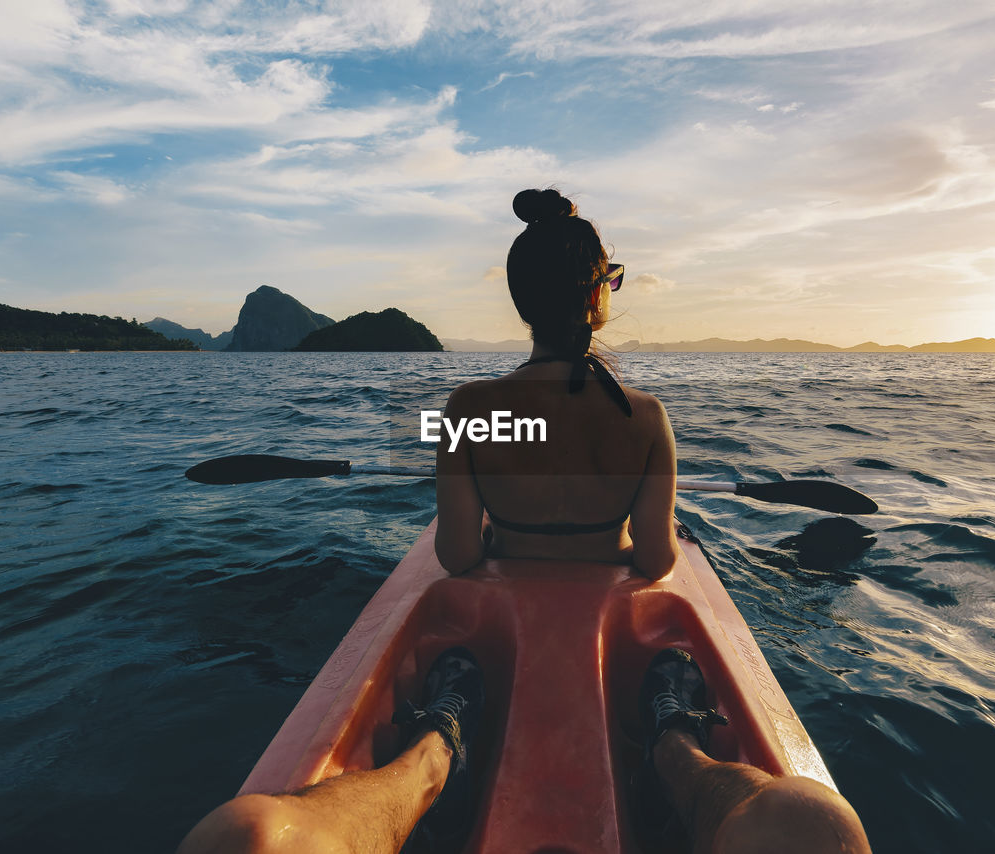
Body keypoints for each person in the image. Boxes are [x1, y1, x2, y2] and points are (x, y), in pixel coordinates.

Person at [177, 189, 871, 854]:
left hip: (499, 578)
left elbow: (454, 553)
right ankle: (671, 748)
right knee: (816, 827)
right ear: (600, 297)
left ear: (521, 304)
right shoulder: (644, 416)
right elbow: (659, 559)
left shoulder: (471, 407)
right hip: (607, 587)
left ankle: (438, 745)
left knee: (244, 842)